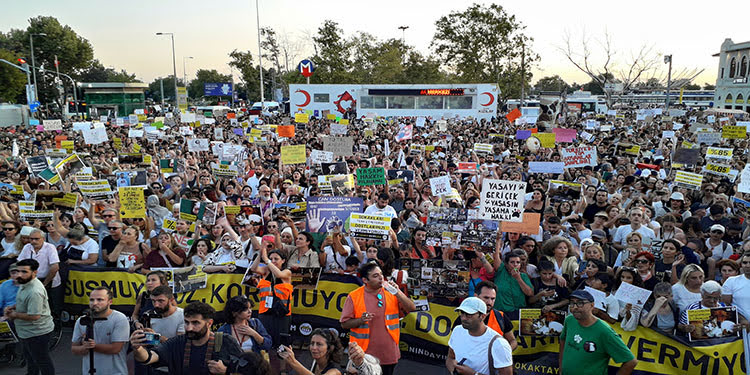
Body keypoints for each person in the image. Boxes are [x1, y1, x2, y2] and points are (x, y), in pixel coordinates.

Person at [340, 261, 416, 375]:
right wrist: (361, 320)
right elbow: (344, 324)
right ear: (365, 280)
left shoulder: (391, 292)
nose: (381, 278)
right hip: (363, 355)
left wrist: (398, 292)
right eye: (375, 276)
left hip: (388, 355)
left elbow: (412, 308)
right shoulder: (354, 296)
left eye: (381, 274)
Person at [130, 301, 244, 374]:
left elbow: (247, 370)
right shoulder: (177, 343)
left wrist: (226, 371)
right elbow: (150, 358)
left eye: (195, 323)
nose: (189, 328)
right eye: (186, 322)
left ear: (209, 323)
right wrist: (138, 348)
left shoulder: (226, 342)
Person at [559, 290, 637, 375]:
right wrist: (561, 369)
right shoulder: (569, 320)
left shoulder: (604, 331)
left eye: (580, 303)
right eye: (572, 303)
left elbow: (631, 361)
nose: (575, 307)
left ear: (592, 305)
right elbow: (563, 341)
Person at [4, 259, 55, 375]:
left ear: (34, 272)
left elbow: (35, 316)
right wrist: (13, 307)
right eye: (18, 271)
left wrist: (14, 314)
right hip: (27, 332)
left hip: (37, 333)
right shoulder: (25, 282)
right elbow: (24, 302)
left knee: (42, 362)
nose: (19, 275)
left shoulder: (34, 291)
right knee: (31, 360)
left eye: (24, 272)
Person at [446, 297, 513, 375]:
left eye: (469, 315)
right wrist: (453, 370)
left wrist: (474, 374)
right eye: (462, 313)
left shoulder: (499, 343)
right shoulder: (457, 331)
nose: (463, 318)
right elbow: (450, 358)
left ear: (483, 316)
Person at [71, 286, 129, 375]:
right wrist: (84, 348)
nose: (94, 303)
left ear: (110, 302)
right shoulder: (81, 320)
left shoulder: (119, 319)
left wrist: (93, 346)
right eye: (91, 300)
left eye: (100, 300)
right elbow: (74, 348)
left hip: (115, 372)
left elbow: (116, 348)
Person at [279, 328, 343, 375]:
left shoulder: (335, 371)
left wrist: (293, 362)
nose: (314, 348)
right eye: (312, 343)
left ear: (330, 348)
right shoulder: (313, 362)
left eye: (319, 344)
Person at [474, 280, 517, 350]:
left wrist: (505, 352)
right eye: (486, 298)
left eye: (493, 299)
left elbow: (513, 341)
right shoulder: (465, 317)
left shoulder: (500, 317)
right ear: (476, 296)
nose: (489, 302)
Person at [722, 253, 750, 321]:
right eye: (745, 263)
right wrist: (741, 319)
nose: (748, 265)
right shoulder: (731, 281)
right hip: (742, 326)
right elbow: (726, 306)